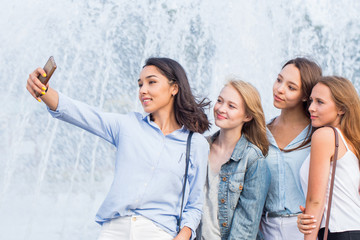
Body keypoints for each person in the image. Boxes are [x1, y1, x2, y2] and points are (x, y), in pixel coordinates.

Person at [26, 57, 210, 240]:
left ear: (174, 88)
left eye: (151, 82)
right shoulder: (128, 125)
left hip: (158, 232)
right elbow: (80, 113)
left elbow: (194, 204)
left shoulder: (195, 144)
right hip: (114, 230)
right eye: (140, 85)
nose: (143, 90)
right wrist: (42, 89)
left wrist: (184, 235)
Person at [197, 79, 270, 240]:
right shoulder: (199, 147)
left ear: (248, 116)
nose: (221, 109)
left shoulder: (252, 159)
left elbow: (246, 227)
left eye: (231, 106)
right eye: (219, 101)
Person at [259, 58, 322, 239]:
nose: (279, 89)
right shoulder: (261, 132)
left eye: (291, 87)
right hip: (266, 230)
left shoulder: (317, 135)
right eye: (279, 80)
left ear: (305, 95)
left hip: (304, 229)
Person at [297, 76, 360, 239]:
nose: (311, 108)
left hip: (339, 232)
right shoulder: (350, 142)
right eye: (311, 101)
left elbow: (315, 201)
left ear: (341, 108)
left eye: (320, 102)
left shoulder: (324, 136)